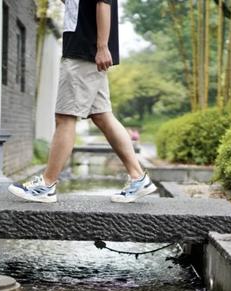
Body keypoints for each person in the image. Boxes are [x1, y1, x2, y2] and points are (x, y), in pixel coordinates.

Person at [9, 0, 156, 203]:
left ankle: (46, 184)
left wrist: (102, 46)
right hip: (86, 50)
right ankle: (139, 178)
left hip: (84, 52)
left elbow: (103, 2)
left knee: (65, 118)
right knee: (102, 117)